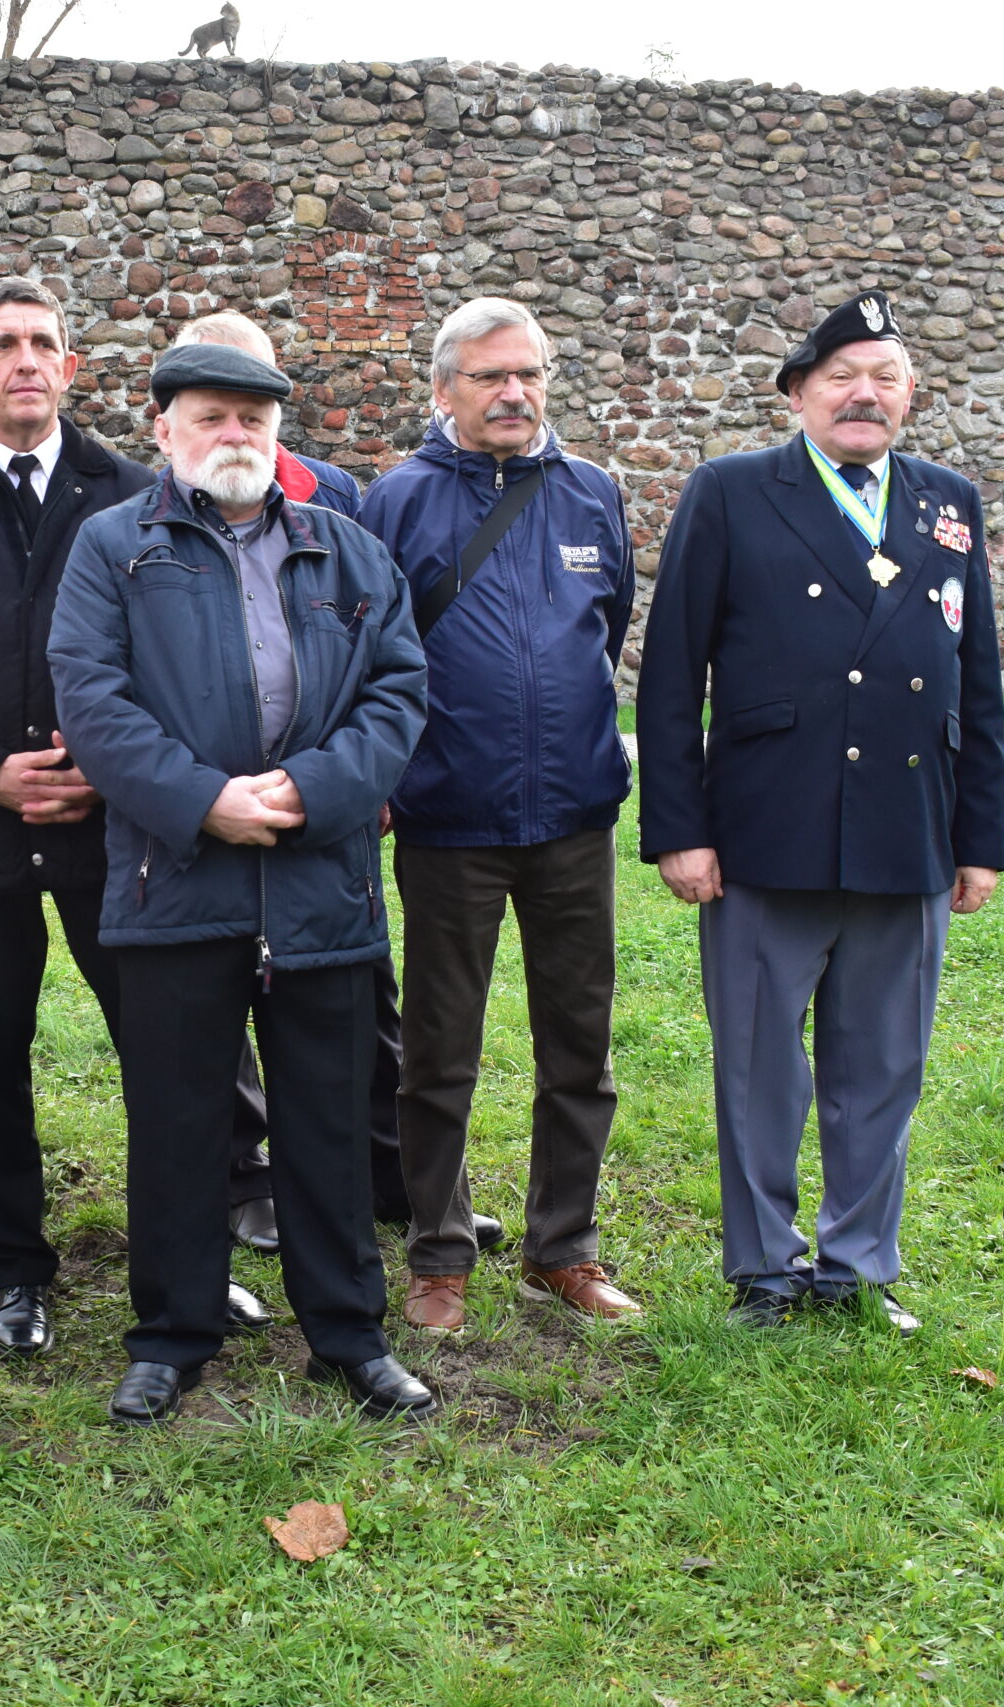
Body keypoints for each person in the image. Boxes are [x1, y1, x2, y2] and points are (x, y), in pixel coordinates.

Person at [0, 279, 272, 1361]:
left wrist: (115, 766)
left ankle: (190, 1260)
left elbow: (182, 651)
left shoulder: (134, 492)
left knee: (167, 1052)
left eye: (44, 342)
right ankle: (16, 1270)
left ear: (72, 367)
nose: (26, 360)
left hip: (117, 833)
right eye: (2, 345)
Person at [50, 343, 434, 1425]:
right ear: (164, 430)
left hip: (321, 885)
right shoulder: (113, 549)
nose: (235, 436)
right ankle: (172, 1337)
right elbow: (91, 699)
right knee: (179, 1124)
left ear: (277, 435)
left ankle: (349, 1336)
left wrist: (314, 790)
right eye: (212, 416)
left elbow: (399, 693)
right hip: (176, 880)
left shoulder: (348, 551)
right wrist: (202, 800)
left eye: (253, 420)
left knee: (329, 1121)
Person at [635, 288, 1004, 1335]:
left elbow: (976, 678)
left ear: (910, 395)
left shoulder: (947, 502)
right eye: (841, 376)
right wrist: (680, 830)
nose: (863, 395)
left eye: (884, 377)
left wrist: (978, 838)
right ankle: (765, 1269)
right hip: (766, 831)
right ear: (797, 393)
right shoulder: (731, 491)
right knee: (759, 1066)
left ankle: (856, 1267)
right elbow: (671, 676)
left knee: (883, 1065)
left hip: (908, 829)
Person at [163, 313, 509, 1261]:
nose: (238, 420)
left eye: (256, 392)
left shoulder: (336, 495)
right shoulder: (155, 506)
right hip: (209, 812)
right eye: (216, 396)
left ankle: (390, 1165)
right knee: (225, 1008)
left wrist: (350, 780)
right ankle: (249, 1179)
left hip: (330, 806)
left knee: (363, 993)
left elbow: (377, 645)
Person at [357, 297, 642, 1335]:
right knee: (439, 1056)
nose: (514, 393)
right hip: (447, 819)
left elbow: (605, 629)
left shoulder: (590, 494)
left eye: (529, 373)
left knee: (580, 1048)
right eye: (489, 376)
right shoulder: (395, 501)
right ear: (445, 389)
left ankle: (562, 1249)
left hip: (574, 816)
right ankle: (438, 1253)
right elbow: (367, 652)